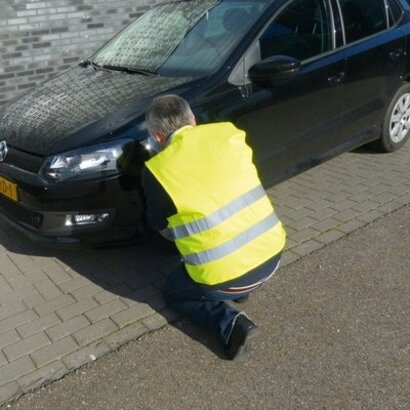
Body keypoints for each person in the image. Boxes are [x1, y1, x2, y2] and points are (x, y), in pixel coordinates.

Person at [141, 94, 286, 360]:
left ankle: (231, 326)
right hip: (274, 253)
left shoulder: (157, 169)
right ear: (193, 120)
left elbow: (157, 223)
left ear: (158, 138)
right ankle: (244, 291)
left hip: (228, 277)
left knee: (173, 292)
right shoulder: (229, 134)